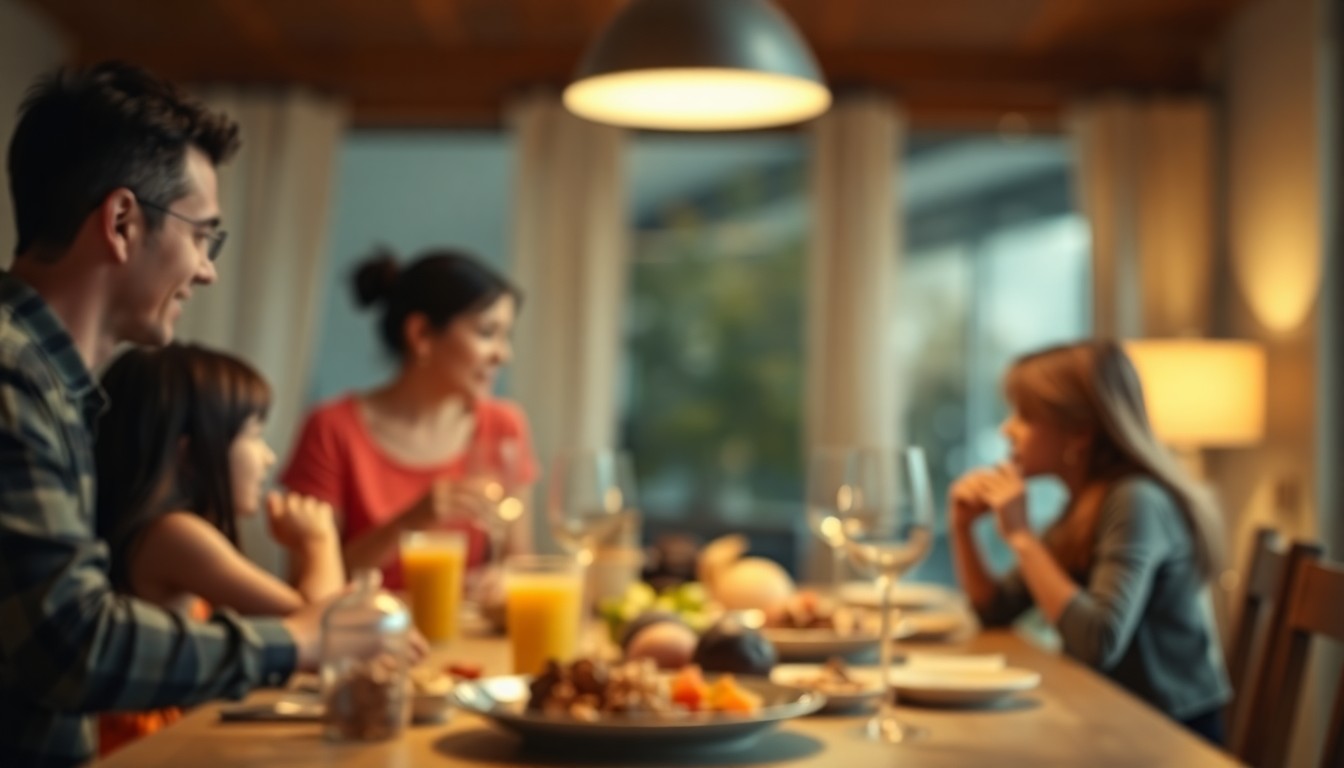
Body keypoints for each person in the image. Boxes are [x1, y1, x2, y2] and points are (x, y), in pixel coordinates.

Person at [0, 61, 326, 767]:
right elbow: (69, 644)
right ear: (121, 222)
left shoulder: (54, 386)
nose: (207, 269)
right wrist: (301, 641)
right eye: (202, 234)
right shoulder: (13, 379)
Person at [949, 340, 1231, 744]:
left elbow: (1097, 642)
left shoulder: (1135, 500)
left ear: (1079, 433)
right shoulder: (1081, 505)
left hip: (1168, 737)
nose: (1006, 429)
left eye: (1024, 416)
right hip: (1110, 719)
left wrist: (1022, 537)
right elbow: (996, 610)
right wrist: (962, 529)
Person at [93, 344, 346, 755]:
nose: (269, 457)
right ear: (189, 453)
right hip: (142, 752)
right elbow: (326, 628)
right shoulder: (174, 534)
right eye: (254, 435)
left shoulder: (165, 531)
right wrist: (320, 540)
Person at [282, 248, 538, 591]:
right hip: (363, 639)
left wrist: (503, 582)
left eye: (508, 337)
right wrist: (413, 520)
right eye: (487, 333)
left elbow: (517, 563)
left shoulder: (505, 425)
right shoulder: (331, 429)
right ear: (421, 334)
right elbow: (306, 584)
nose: (504, 355)